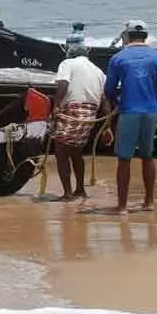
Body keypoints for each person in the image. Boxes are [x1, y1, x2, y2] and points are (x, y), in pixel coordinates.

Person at [104, 20, 157, 215]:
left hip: (129, 111)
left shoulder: (117, 58)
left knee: (124, 159)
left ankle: (122, 206)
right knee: (147, 156)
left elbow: (109, 89)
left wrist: (119, 101)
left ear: (126, 36)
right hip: (150, 111)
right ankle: (148, 202)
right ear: (146, 36)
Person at [51, 43, 107, 201]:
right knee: (76, 152)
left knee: (61, 153)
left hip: (73, 111)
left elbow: (63, 84)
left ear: (70, 54)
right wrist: (107, 124)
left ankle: (67, 193)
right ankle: (80, 190)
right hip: (91, 114)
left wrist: (55, 107)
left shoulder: (67, 63)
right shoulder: (98, 71)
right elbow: (104, 98)